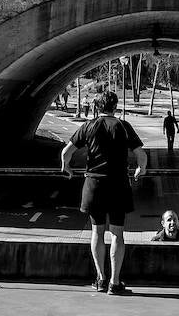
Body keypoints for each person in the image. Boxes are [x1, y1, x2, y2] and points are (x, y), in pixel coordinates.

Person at [61, 90, 147, 296]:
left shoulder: (89, 126)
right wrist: (140, 169)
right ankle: (115, 282)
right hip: (118, 185)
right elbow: (141, 155)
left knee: (97, 232)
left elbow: (66, 152)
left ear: (97, 107)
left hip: (94, 185)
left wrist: (67, 167)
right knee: (117, 233)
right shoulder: (123, 127)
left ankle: (100, 279)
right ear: (115, 107)